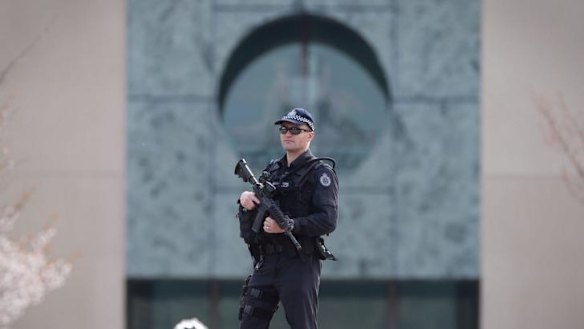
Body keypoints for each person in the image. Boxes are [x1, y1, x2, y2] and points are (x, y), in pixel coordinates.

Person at [236, 108, 339, 329]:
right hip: (267, 261)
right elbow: (252, 226)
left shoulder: (320, 173)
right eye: (284, 129)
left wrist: (290, 225)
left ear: (310, 135)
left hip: (299, 262)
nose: (287, 134)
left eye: (295, 130)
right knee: (249, 323)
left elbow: (328, 219)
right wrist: (246, 203)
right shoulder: (273, 170)